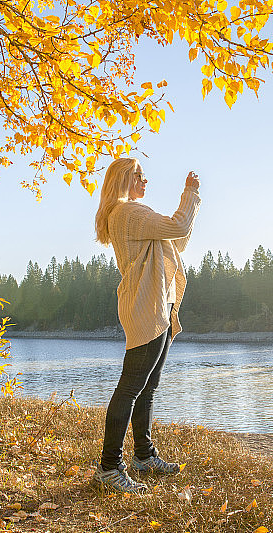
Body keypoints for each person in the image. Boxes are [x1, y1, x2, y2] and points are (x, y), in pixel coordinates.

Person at [92, 157, 201, 493]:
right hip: (146, 309)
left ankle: (144, 456)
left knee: (147, 387)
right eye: (139, 176)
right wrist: (190, 195)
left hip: (160, 307)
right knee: (130, 388)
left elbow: (176, 243)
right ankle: (109, 468)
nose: (145, 181)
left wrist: (189, 206)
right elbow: (178, 228)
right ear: (125, 179)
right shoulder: (127, 213)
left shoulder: (133, 214)